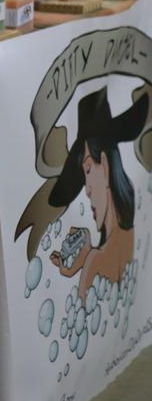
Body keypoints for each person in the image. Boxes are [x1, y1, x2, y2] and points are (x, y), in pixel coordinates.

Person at [49, 88, 148, 301]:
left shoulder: (96, 261)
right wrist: (82, 259)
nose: (86, 189)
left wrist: (89, 260)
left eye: (87, 170)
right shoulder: (131, 236)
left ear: (104, 164)